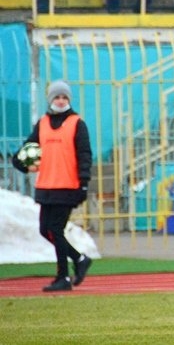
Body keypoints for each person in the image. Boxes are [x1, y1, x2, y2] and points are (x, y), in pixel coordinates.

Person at [12, 80, 93, 291]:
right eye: (57, 97)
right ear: (50, 99)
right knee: (45, 230)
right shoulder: (43, 123)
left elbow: (85, 155)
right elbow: (26, 150)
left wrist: (84, 184)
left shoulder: (77, 123)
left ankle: (63, 277)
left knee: (56, 229)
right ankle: (79, 259)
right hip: (46, 186)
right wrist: (22, 164)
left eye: (64, 97)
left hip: (67, 186)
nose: (61, 100)